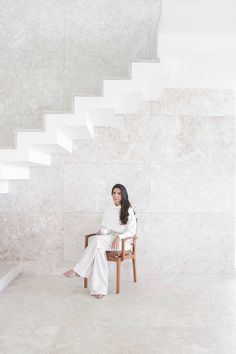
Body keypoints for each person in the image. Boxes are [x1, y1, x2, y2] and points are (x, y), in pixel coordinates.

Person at [63, 183, 137, 299]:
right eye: (113, 193)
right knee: (98, 250)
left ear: (123, 194)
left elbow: (132, 232)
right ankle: (99, 290)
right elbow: (105, 228)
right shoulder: (108, 210)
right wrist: (101, 232)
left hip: (122, 243)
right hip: (108, 240)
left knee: (97, 242)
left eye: (118, 193)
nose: (115, 196)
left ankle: (78, 270)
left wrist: (119, 237)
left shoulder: (129, 210)